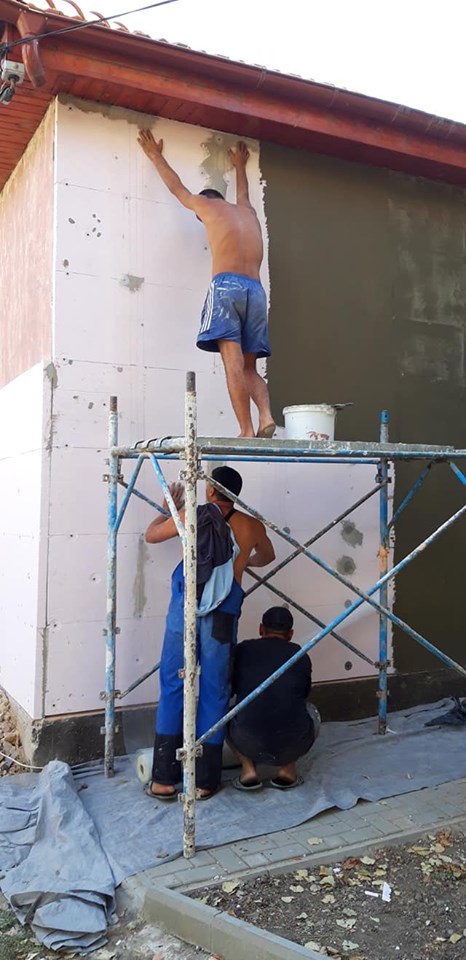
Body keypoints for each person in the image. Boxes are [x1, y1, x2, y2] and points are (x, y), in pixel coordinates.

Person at [144, 466, 275, 800]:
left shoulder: (191, 516)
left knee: (174, 683)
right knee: (215, 690)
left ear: (211, 490)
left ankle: (163, 779)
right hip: (223, 613)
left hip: (185, 610)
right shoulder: (252, 525)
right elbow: (268, 556)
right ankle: (205, 780)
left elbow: (151, 535)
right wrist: (241, 561)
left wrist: (167, 509)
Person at [137, 129, 275, 439]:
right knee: (250, 367)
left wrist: (154, 155)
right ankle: (266, 415)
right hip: (256, 291)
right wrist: (239, 165)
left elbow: (178, 189)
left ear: (207, 201)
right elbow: (244, 193)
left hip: (227, 288)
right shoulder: (247, 211)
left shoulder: (206, 205)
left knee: (232, 362)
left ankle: (246, 429)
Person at [227, 607, 320, 791]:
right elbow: (304, 694)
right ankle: (287, 770)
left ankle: (248, 770)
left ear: (261, 629)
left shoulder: (243, 649)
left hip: (248, 739)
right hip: (293, 742)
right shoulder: (300, 654)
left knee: (226, 712)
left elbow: (232, 689)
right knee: (311, 711)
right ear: (291, 634)